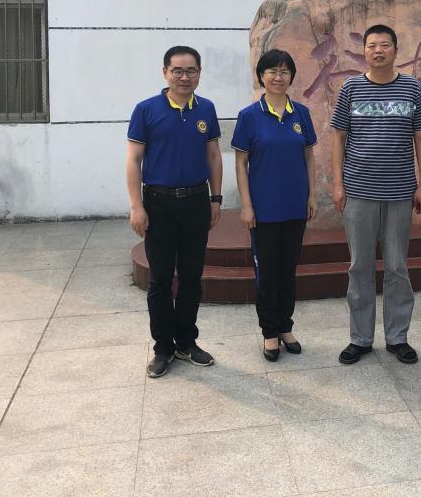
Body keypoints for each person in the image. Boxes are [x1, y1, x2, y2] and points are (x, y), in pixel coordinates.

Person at [330, 24, 421, 365]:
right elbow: (338, 138)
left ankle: (397, 337)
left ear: (395, 50)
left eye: (385, 45)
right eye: (372, 45)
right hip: (359, 190)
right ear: (364, 51)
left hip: (400, 191)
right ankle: (360, 338)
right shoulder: (351, 88)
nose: (378, 50)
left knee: (396, 266)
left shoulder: (412, 88)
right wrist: (338, 184)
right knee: (359, 266)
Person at [126, 46, 223, 379]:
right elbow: (133, 159)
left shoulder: (206, 109)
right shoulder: (146, 110)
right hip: (158, 204)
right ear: (165, 72)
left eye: (191, 70)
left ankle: (186, 342)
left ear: (199, 73)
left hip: (196, 201)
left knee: (192, 277)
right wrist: (137, 206)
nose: (184, 77)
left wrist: (215, 199)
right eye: (178, 70)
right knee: (161, 279)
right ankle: (162, 348)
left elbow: (213, 156)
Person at [232, 49, 317, 362]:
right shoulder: (249, 116)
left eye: (284, 71)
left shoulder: (301, 114)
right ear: (261, 76)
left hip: (295, 206)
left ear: (291, 76)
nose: (278, 77)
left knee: (288, 270)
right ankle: (269, 331)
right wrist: (246, 205)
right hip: (264, 209)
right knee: (267, 273)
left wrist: (311, 195)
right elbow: (241, 163)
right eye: (272, 71)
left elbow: (309, 156)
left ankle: (285, 327)